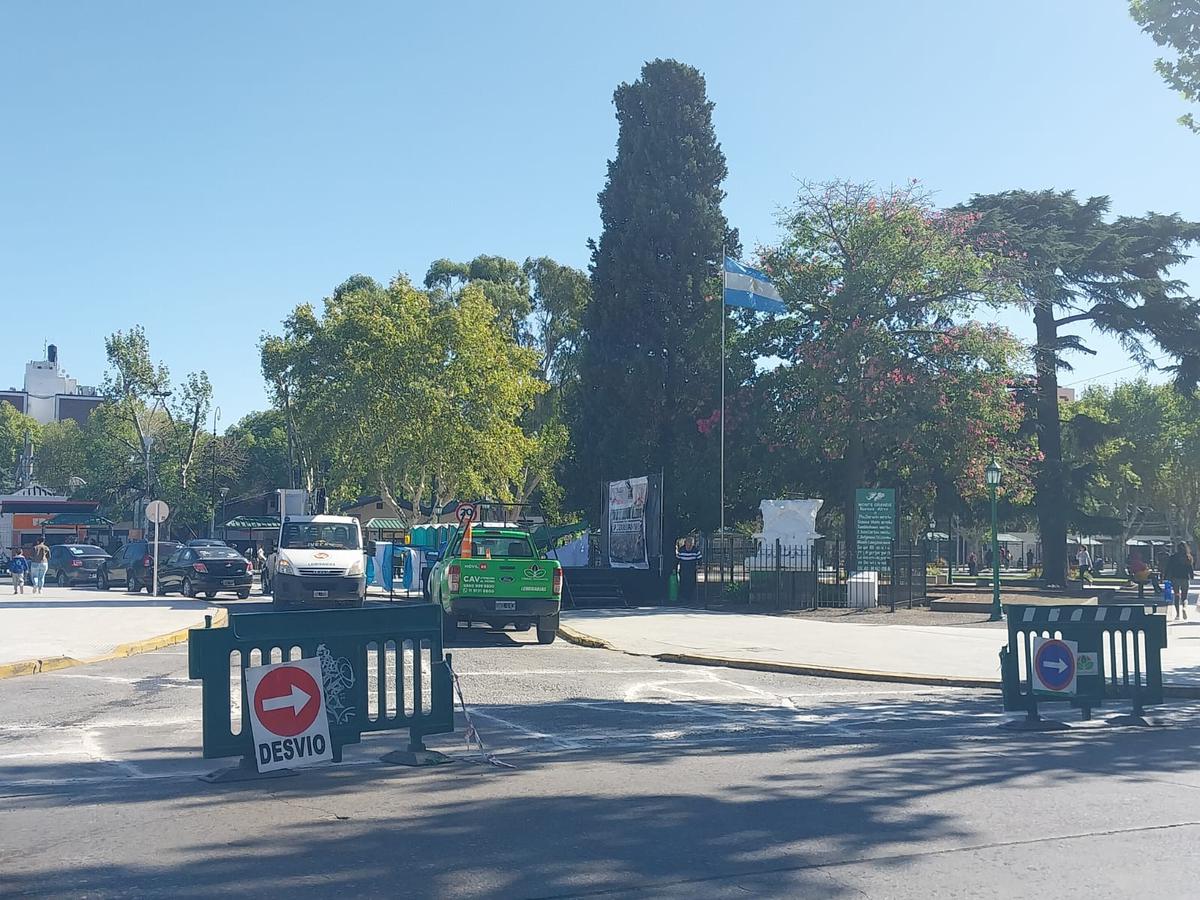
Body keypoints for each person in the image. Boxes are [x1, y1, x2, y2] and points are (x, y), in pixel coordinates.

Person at [1164, 541, 1194, 620]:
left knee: (1177, 596)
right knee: (1184, 596)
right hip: (1185, 579)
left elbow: (1168, 567)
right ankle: (1184, 607)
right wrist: (1191, 576)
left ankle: (1177, 615)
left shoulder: (1173, 557)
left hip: (1175, 579)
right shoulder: (1188, 557)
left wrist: (1165, 577)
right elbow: (1190, 568)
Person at [675, 536, 703, 603]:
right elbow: (676, 560)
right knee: (683, 583)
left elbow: (700, 559)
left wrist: (698, 565)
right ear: (685, 544)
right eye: (688, 544)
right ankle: (683, 597)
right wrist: (674, 567)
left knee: (691, 583)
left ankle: (690, 597)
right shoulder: (681, 550)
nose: (689, 546)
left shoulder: (695, 550)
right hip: (683, 569)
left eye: (690, 545)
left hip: (692, 570)